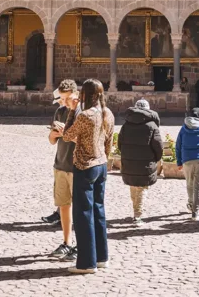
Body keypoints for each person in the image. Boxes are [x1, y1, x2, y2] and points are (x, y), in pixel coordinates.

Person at [62, 79, 114, 275]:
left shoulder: (85, 115)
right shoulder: (107, 113)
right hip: (100, 165)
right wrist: (104, 159)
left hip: (85, 165)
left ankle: (86, 262)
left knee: (83, 214)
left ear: (85, 95)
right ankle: (101, 257)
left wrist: (71, 111)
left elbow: (67, 135)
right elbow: (109, 141)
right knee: (99, 211)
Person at [45, 79, 80, 261]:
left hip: (76, 167)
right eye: (63, 98)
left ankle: (80, 244)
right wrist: (54, 134)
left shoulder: (82, 113)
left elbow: (84, 141)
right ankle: (67, 242)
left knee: (79, 208)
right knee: (64, 206)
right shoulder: (60, 111)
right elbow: (52, 141)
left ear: (76, 94)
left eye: (67, 99)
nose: (65, 102)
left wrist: (68, 134)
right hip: (60, 164)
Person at [118, 99, 162, 226]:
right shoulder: (152, 126)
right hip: (146, 163)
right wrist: (156, 158)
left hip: (129, 161)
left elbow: (120, 143)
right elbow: (158, 146)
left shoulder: (126, 125)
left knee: (133, 185)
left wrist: (126, 155)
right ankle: (138, 216)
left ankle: (135, 210)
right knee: (142, 187)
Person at [176, 107, 199, 221]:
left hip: (187, 159)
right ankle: (195, 211)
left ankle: (191, 204)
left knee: (189, 183)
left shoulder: (183, 128)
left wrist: (179, 161)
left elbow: (178, 146)